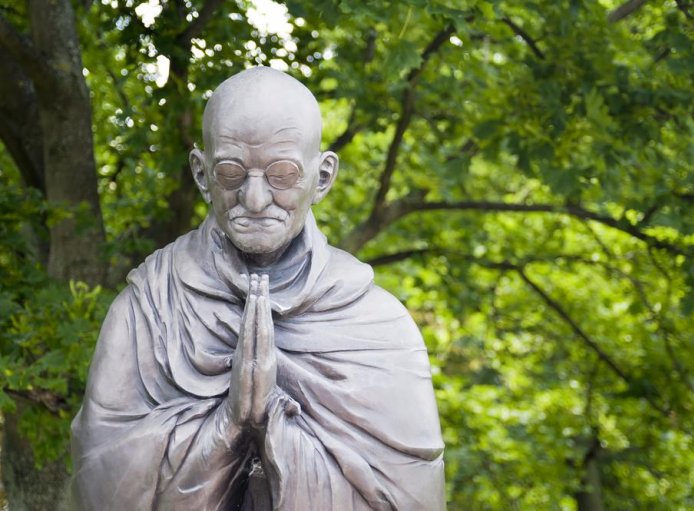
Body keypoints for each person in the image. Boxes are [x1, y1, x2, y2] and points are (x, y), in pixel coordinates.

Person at [70, 67, 445, 510]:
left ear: (322, 177)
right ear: (200, 172)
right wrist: (226, 427)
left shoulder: (377, 326)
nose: (254, 199)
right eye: (230, 172)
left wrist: (272, 427)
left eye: (282, 175)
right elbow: (97, 486)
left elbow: (413, 498)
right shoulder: (149, 308)